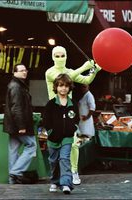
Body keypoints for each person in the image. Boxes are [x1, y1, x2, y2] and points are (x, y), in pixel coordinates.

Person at [45, 46, 101, 185]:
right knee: (55, 147)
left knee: (74, 144)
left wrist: (94, 70)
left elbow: (86, 81)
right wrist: (84, 67)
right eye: (56, 56)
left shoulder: (71, 71)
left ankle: (74, 171)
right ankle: (56, 176)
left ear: (66, 56)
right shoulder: (50, 72)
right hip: (54, 112)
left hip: (69, 111)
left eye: (62, 55)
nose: (59, 59)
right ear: (52, 57)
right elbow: (63, 79)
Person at [43, 73, 79, 194]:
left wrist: (73, 127)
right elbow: (46, 120)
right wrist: (50, 132)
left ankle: (66, 183)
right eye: (60, 85)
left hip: (67, 138)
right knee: (53, 161)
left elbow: (76, 119)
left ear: (69, 88)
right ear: (56, 87)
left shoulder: (73, 104)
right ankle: (54, 181)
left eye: (66, 86)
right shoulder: (51, 104)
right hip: (53, 138)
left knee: (64, 158)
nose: (63, 88)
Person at [3, 63, 37, 184]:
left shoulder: (16, 85)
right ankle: (16, 172)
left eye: (25, 70)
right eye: (21, 70)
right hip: (18, 125)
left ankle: (12, 179)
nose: (25, 72)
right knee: (32, 146)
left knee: (13, 150)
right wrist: (21, 126)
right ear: (15, 73)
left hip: (12, 125)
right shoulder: (17, 87)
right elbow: (16, 107)